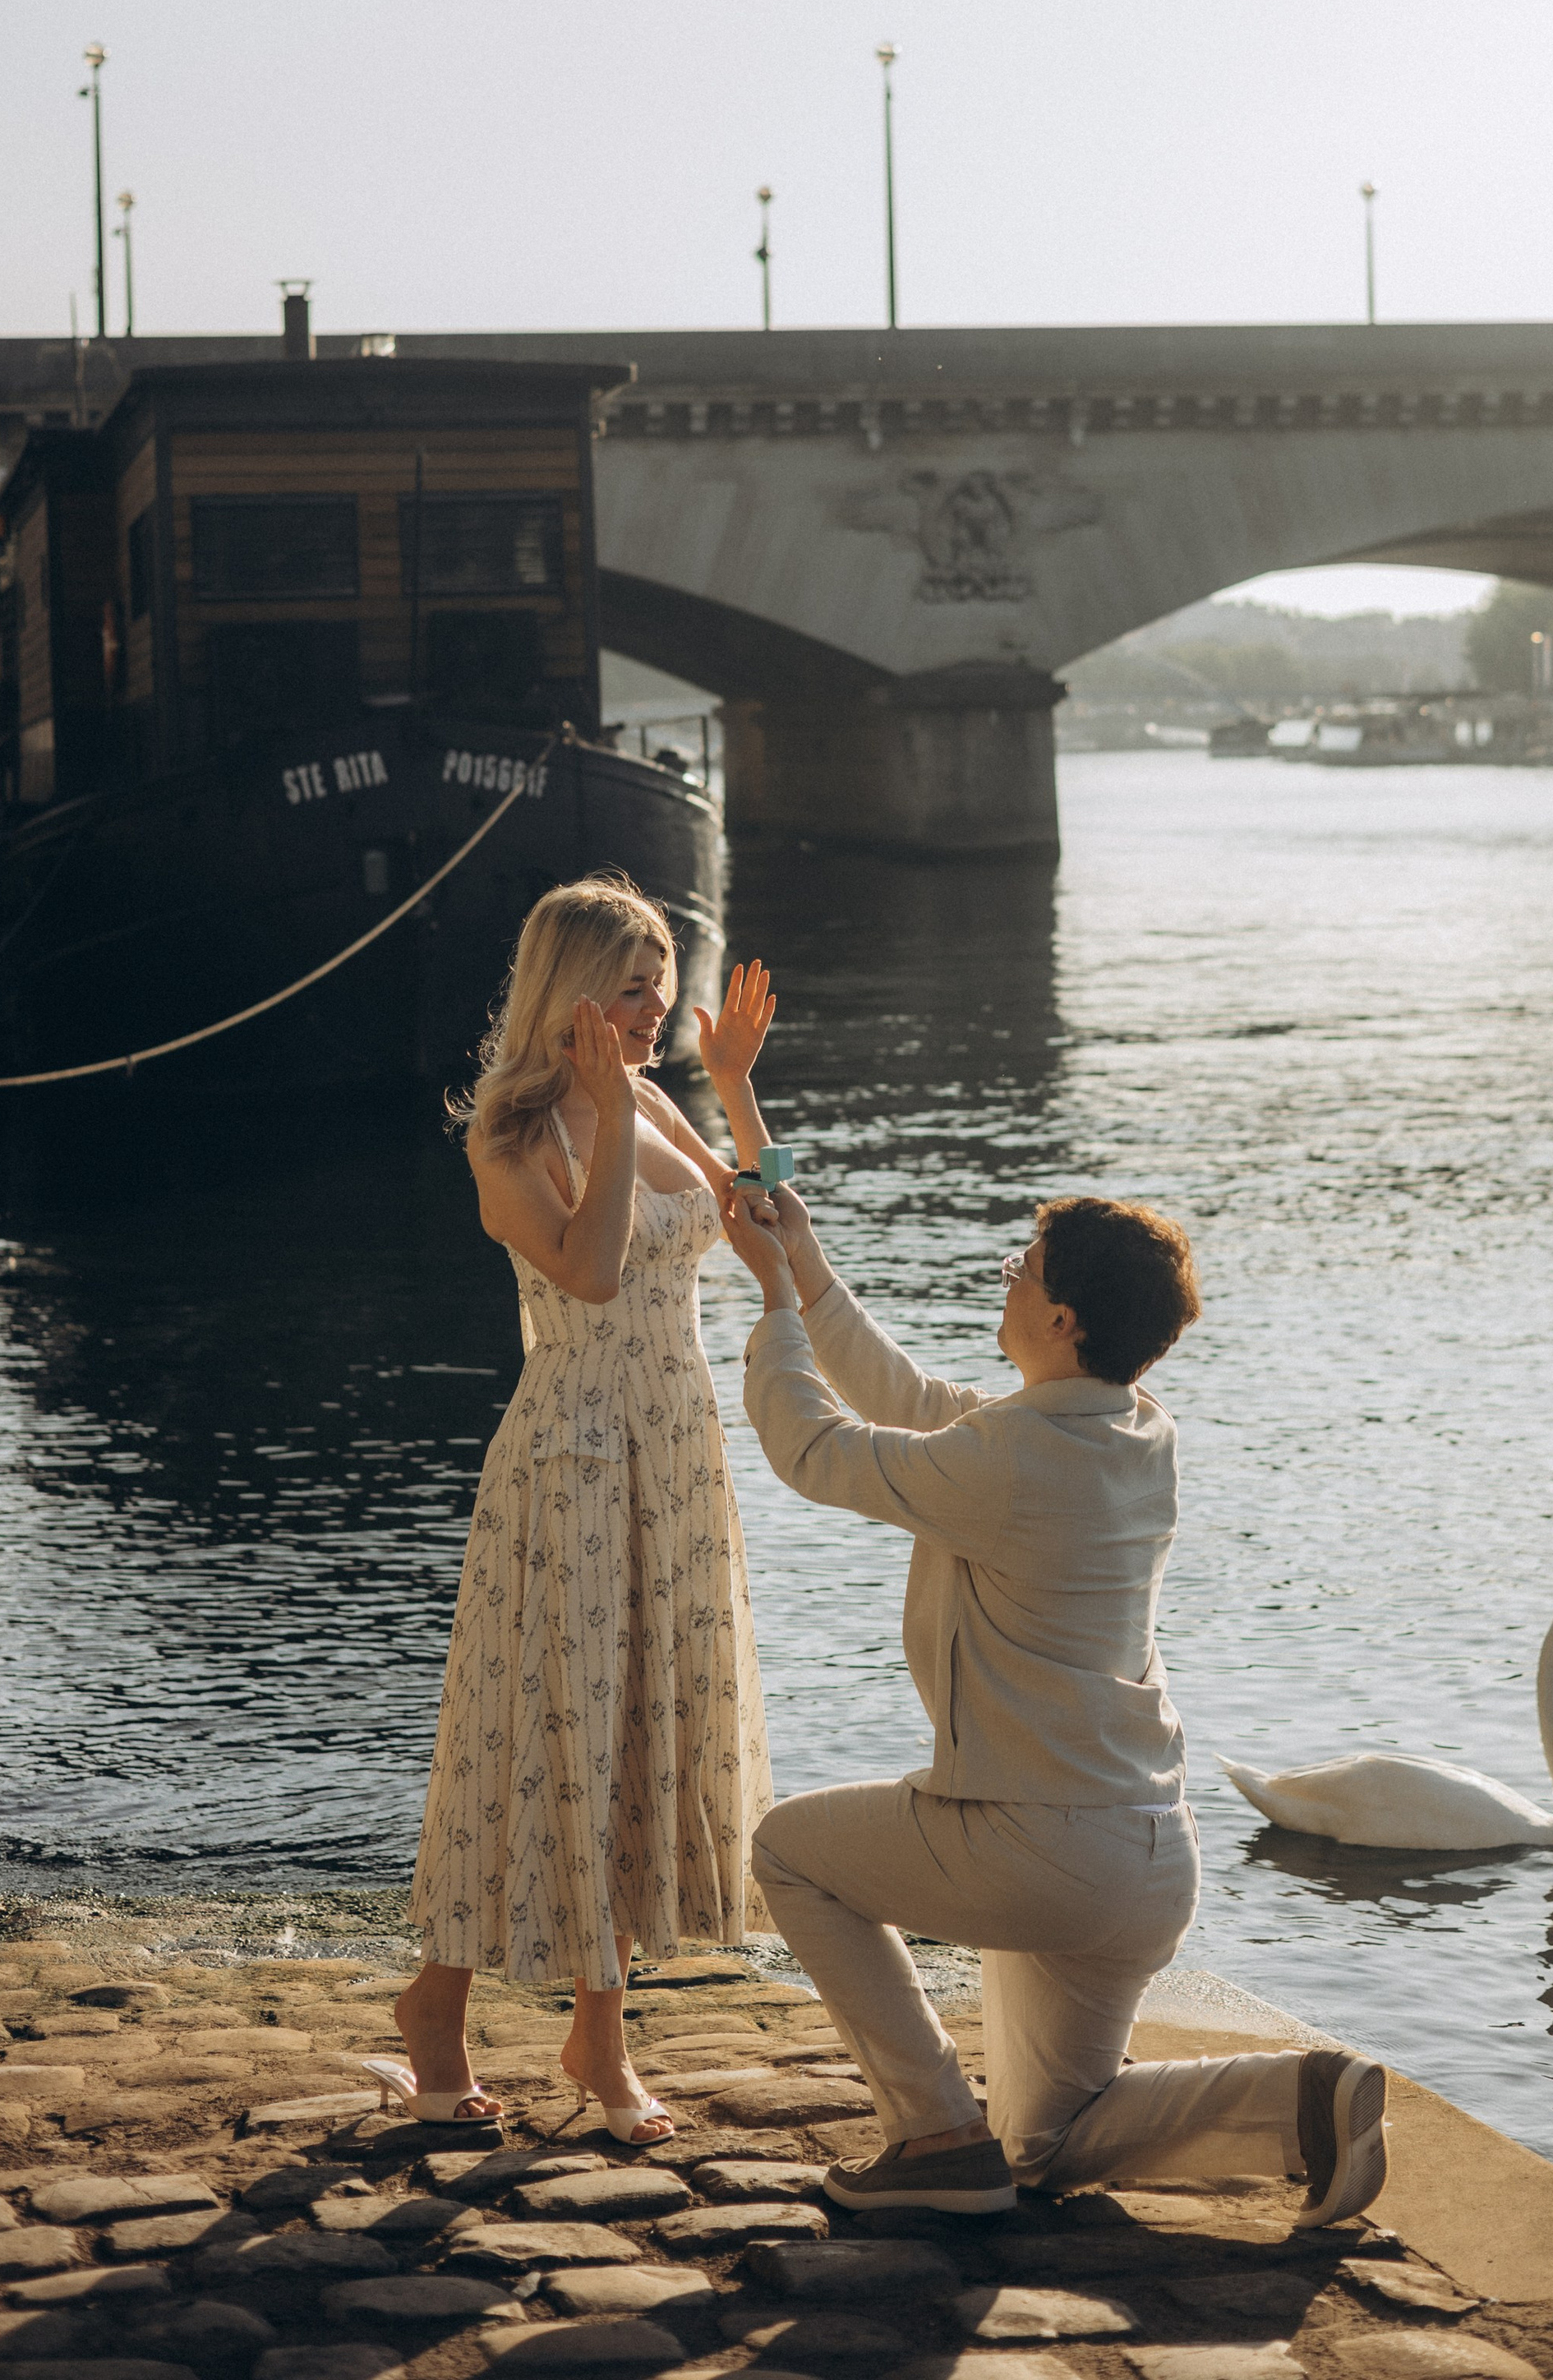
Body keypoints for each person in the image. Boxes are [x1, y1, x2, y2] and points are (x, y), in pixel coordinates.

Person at [720, 1180, 1390, 2221]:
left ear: (1060, 1319)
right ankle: (1303, 2098)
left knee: (790, 1852)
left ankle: (935, 2133)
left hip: (1040, 1852)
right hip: (1148, 1853)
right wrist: (802, 1264)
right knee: (1043, 2141)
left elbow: (814, 1451)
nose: (1006, 1283)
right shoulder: (1135, 1429)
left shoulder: (1011, 1458)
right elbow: (916, 1400)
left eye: (1018, 1273)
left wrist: (768, 1306)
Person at [373, 878, 777, 2144]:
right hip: (576, 1462)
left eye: (661, 983)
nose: (653, 1007)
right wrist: (603, 1118)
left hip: (676, 1450)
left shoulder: (655, 1097)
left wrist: (741, 1086)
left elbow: (763, 1236)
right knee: (551, 1736)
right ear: (570, 992)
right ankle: (560, 2040)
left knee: (641, 1736)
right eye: (631, 984)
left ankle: (507, 2020)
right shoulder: (508, 1138)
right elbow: (594, 1277)